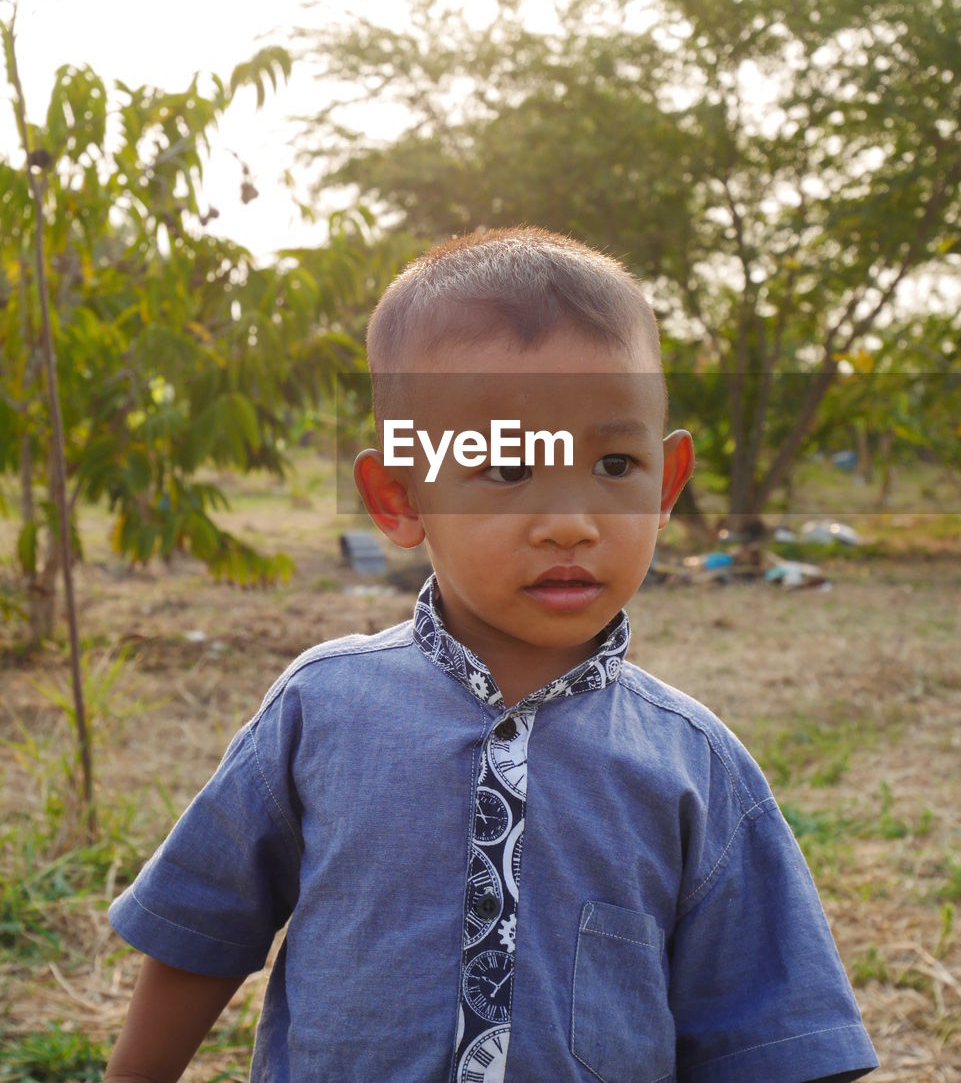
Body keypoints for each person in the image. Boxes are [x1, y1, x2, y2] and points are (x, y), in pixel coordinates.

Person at [105, 227, 879, 1083]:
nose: (570, 520)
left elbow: (776, 1036)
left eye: (613, 463)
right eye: (506, 466)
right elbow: (200, 930)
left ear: (663, 487)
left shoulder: (691, 766)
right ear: (399, 497)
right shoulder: (320, 710)